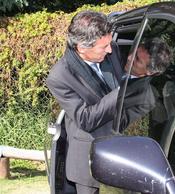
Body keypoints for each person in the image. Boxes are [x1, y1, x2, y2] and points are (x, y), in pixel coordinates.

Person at [46, 10, 124, 194]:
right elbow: (85, 119)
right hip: (89, 167)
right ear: (82, 47)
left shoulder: (112, 51)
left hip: (122, 154)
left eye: (109, 43)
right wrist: (124, 91)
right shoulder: (59, 77)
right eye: (103, 47)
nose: (110, 50)